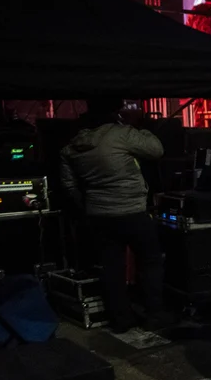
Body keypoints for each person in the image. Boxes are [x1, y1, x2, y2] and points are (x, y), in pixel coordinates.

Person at [60, 99, 168, 334]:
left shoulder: (72, 145)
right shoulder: (120, 134)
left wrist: (90, 206)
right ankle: (154, 315)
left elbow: (70, 186)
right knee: (150, 261)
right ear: (114, 114)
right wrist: (139, 126)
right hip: (131, 210)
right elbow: (156, 149)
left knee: (111, 267)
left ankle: (120, 319)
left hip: (99, 215)